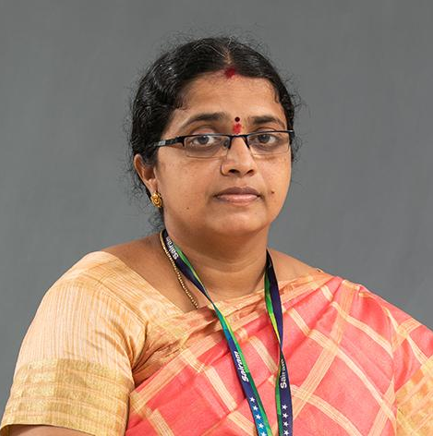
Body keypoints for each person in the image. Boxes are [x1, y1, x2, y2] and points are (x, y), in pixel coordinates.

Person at [1, 36, 432, 436]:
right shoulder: (97, 300)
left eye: (265, 138)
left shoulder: (356, 323)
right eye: (204, 139)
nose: (241, 160)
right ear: (149, 171)